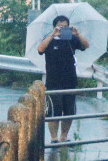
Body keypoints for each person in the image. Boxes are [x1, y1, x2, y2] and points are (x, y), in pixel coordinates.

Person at [37, 15, 90, 143]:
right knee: (54, 111)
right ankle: (54, 138)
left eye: (65, 27)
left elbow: (86, 45)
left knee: (69, 111)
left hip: (70, 80)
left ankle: (64, 136)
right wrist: (52, 35)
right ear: (55, 26)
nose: (63, 29)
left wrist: (77, 34)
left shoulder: (72, 39)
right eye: (60, 26)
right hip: (53, 81)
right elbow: (40, 49)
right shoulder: (49, 40)